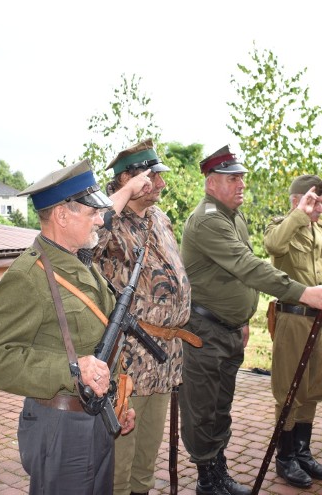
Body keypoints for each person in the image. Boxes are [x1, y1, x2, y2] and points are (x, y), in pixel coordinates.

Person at [0, 159, 150, 494]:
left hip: (95, 417)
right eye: (92, 213)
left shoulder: (81, 263)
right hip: (60, 425)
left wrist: (118, 401)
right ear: (62, 215)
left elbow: (101, 342)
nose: (101, 218)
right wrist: (71, 370)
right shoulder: (29, 277)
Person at [179, 146, 322, 495]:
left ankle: (218, 474)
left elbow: (235, 273)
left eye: (241, 178)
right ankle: (208, 482)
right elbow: (248, 266)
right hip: (203, 332)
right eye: (232, 178)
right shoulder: (208, 219)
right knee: (204, 410)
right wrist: (302, 293)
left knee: (220, 408)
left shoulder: (233, 216)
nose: (241, 184)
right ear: (211, 183)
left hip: (225, 329)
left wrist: (242, 319)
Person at [93, 139, 191, 495]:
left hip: (162, 357)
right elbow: (86, 245)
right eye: (154, 177)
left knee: (147, 456)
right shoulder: (107, 217)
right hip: (127, 359)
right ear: (128, 179)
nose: (162, 184)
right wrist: (125, 193)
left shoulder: (159, 218)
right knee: (121, 456)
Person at [263, 174, 322, 488]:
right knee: (289, 392)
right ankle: (285, 459)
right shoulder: (280, 226)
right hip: (294, 321)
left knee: (313, 388)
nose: (321, 208)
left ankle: (303, 452)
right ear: (298, 199)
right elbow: (272, 245)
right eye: (315, 201)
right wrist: (299, 213)